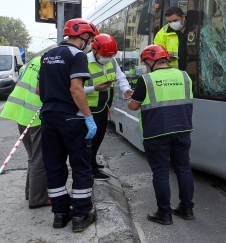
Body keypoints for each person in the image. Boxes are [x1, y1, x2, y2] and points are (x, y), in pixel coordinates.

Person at [36, 19, 99, 232]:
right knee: (81, 166)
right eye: (90, 39)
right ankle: (81, 215)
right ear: (83, 36)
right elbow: (76, 89)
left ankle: (60, 214)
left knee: (54, 166)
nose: (90, 43)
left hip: (49, 117)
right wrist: (89, 117)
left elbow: (38, 90)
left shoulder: (46, 56)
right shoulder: (77, 55)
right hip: (71, 118)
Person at [127, 45, 194, 225]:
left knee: (161, 173)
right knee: (184, 169)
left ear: (150, 61)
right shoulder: (185, 76)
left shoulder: (146, 79)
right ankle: (187, 209)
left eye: (145, 63)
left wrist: (131, 97)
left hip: (156, 133)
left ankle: (164, 213)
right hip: (182, 130)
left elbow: (133, 106)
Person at [0, 56, 50, 209]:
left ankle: (31, 192)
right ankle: (38, 198)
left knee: (32, 157)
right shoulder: (52, 63)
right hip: (37, 115)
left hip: (21, 112)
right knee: (40, 159)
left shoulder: (34, 61)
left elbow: (21, 76)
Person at [85, 34, 133, 181]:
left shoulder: (111, 61)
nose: (107, 58)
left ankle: (92, 163)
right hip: (89, 108)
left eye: (110, 55)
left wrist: (126, 89)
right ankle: (91, 169)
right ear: (94, 50)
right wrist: (94, 88)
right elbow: (75, 88)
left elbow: (120, 77)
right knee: (89, 140)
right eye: (104, 55)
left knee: (99, 138)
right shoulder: (83, 61)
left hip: (104, 106)